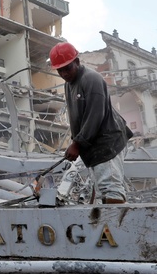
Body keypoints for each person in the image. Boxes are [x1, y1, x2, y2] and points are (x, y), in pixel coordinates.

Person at [49, 42, 133, 204]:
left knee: (111, 191)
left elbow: (95, 115)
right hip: (93, 143)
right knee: (103, 192)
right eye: (60, 70)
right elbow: (78, 118)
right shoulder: (69, 84)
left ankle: (117, 227)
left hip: (107, 142)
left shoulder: (91, 79)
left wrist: (77, 143)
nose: (64, 73)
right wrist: (77, 143)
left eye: (68, 68)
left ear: (78, 62)